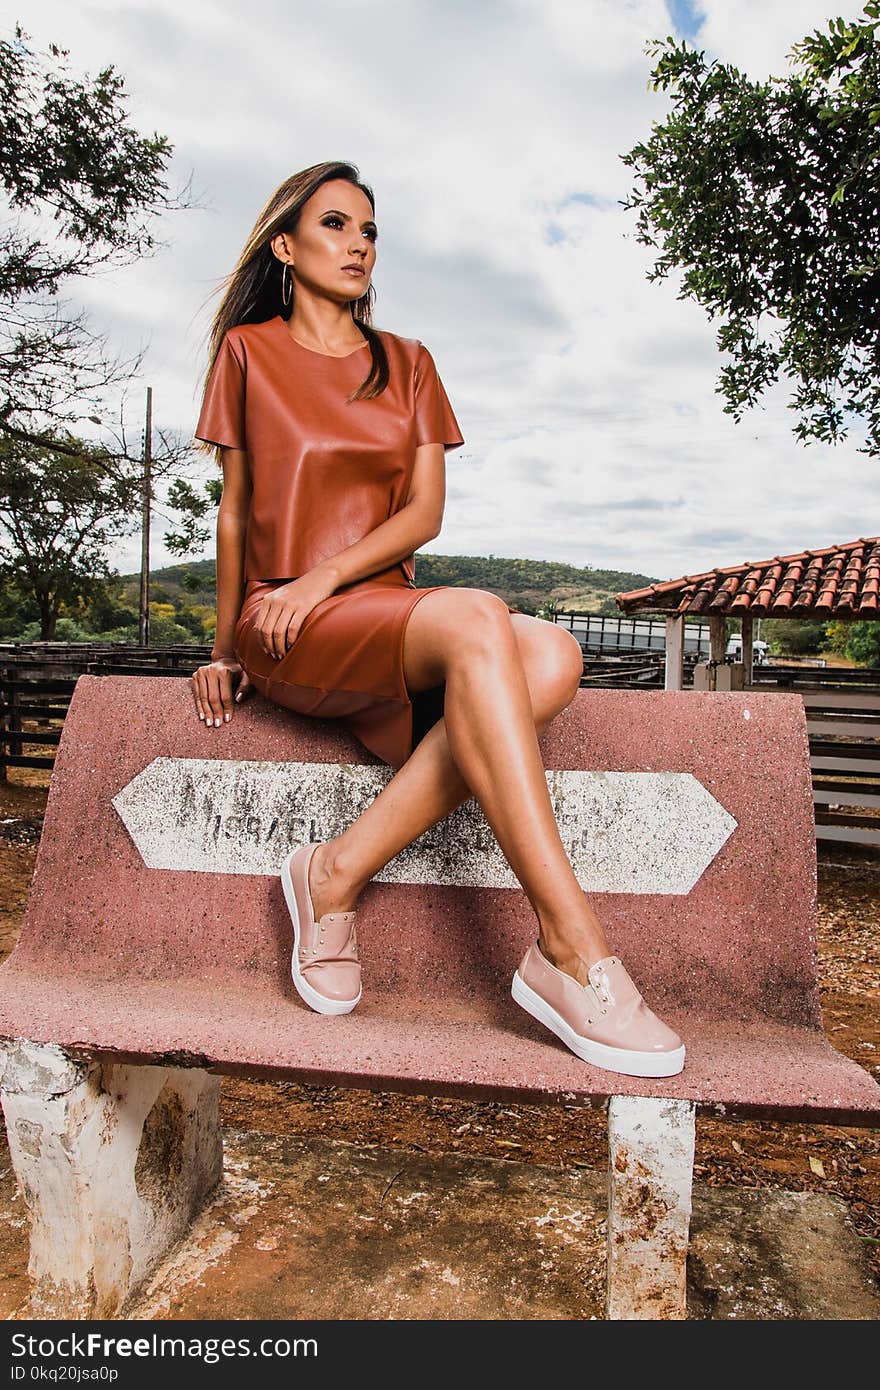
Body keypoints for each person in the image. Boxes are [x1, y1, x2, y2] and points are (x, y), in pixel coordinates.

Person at [190, 160, 684, 1080]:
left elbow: (423, 517)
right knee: (481, 618)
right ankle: (571, 945)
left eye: (370, 232)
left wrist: (332, 576)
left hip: (377, 609)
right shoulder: (248, 354)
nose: (358, 245)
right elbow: (232, 509)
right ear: (285, 247)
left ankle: (332, 872)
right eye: (335, 225)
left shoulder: (409, 363)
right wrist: (226, 649)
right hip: (283, 620)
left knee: (555, 654)